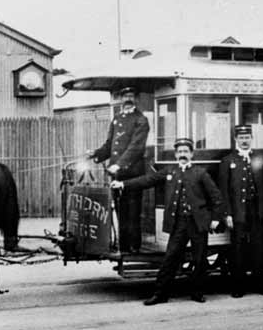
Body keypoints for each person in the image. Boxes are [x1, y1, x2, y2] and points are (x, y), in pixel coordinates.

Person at [111, 137, 223, 305]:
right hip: (178, 223)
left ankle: (197, 293)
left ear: (191, 154)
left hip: (197, 223)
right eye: (180, 152)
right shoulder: (170, 171)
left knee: (200, 259)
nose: (182, 155)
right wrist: (123, 184)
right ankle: (160, 295)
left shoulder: (201, 173)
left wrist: (215, 219)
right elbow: (147, 180)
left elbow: (217, 197)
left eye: (186, 152)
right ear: (176, 154)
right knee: (170, 258)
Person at [89, 86, 149, 253]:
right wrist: (96, 154)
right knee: (121, 211)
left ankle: (134, 248)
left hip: (133, 174)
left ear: (136, 98)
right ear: (121, 99)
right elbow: (110, 145)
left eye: (131, 96)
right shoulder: (117, 119)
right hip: (117, 175)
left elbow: (136, 147)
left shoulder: (141, 119)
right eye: (125, 96)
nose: (127, 99)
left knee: (133, 212)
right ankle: (123, 247)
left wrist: (119, 164)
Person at [219, 125, 263, 297]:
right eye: (241, 137)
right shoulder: (228, 161)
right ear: (236, 139)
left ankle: (259, 284)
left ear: (252, 138)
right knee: (238, 248)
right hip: (238, 211)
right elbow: (223, 191)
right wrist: (227, 214)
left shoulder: (259, 159)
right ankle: (238, 286)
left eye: (247, 137)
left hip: (257, 210)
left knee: (259, 246)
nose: (244, 140)